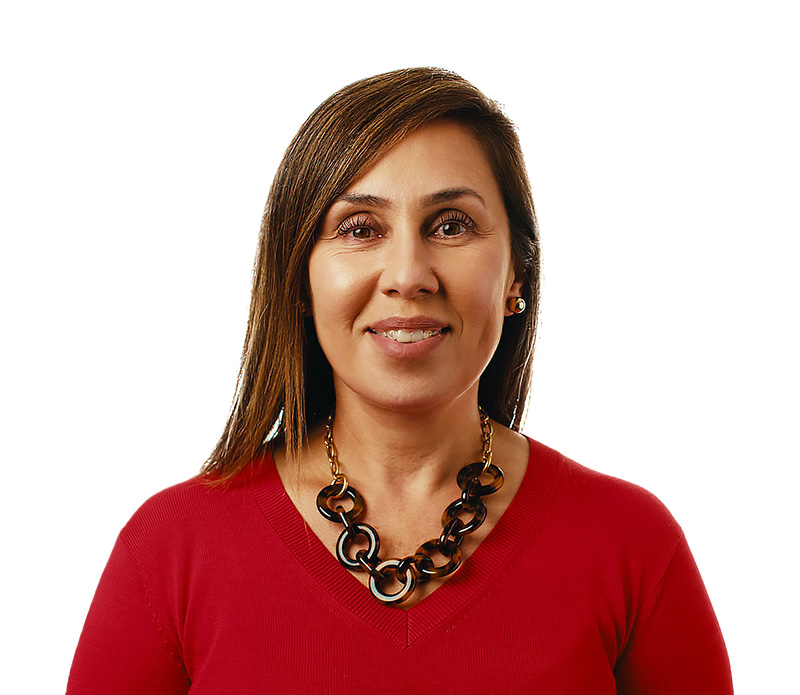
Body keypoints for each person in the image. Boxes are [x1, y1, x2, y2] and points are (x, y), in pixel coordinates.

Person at [67, 67, 733, 693]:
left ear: (516, 274)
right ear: (298, 278)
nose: (408, 274)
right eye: (360, 228)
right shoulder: (170, 550)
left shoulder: (633, 546)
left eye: (451, 225)